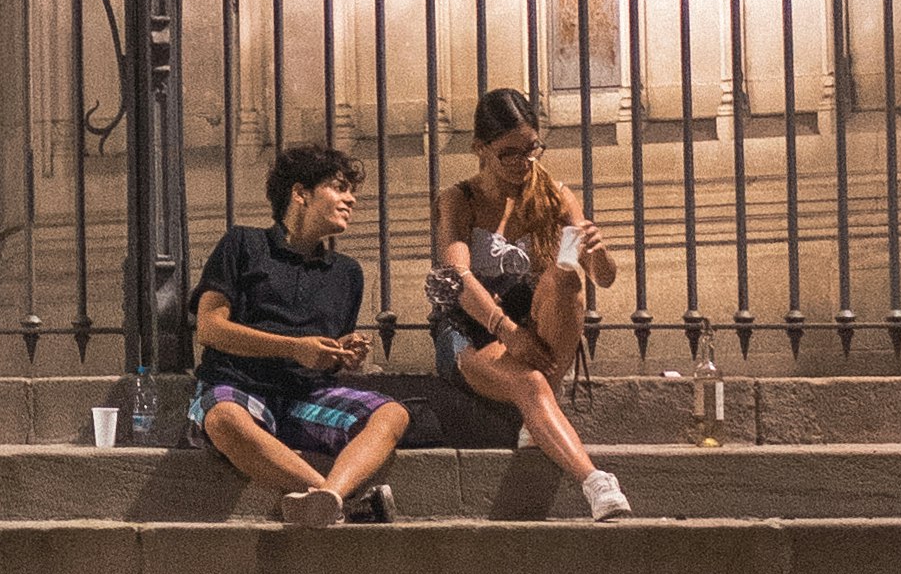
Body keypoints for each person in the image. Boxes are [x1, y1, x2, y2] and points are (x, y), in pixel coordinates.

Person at [431, 87, 633, 521]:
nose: (524, 163)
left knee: (564, 276)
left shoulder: (555, 194)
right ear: (479, 149)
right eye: (509, 153)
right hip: (474, 327)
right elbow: (458, 280)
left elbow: (602, 278)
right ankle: (595, 480)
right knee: (532, 385)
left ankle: (537, 422)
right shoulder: (459, 199)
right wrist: (509, 333)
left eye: (532, 149)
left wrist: (598, 251)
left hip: (536, 323)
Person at [190, 142, 410, 529]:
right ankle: (333, 496)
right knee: (223, 418)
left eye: (352, 191)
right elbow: (210, 328)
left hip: (305, 397)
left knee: (392, 414)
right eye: (339, 187)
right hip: (239, 387)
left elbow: (324, 353)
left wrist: (344, 352)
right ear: (300, 193)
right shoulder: (243, 245)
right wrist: (295, 348)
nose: (351, 200)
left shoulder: (347, 273)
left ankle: (330, 499)